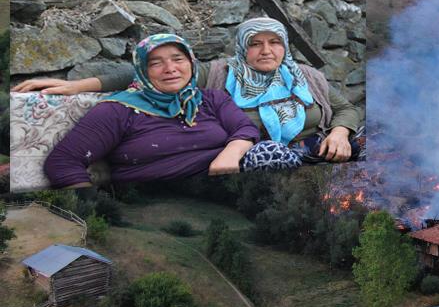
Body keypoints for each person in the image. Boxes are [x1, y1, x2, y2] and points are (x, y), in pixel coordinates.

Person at [14, 17, 362, 163]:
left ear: (285, 46)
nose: (266, 51)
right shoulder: (217, 73)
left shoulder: (305, 76)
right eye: (256, 44)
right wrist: (74, 85)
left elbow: (346, 108)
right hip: (252, 159)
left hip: (319, 150)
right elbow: (139, 72)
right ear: (242, 48)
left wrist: (342, 134)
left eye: (275, 43)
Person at [42, 33, 293, 188]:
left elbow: (244, 128)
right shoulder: (118, 110)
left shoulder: (211, 99)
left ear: (191, 64)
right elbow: (62, 163)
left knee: (275, 152)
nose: (170, 68)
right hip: (157, 199)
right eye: (156, 63)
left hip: (221, 188)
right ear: (142, 71)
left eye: (178, 59)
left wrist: (230, 154)